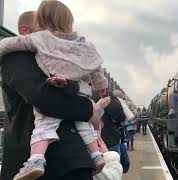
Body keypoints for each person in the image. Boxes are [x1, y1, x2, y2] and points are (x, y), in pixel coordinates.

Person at [0, 2, 111, 180]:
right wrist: (89, 109)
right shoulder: (16, 56)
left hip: (65, 164)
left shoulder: (47, 52)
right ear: (26, 30)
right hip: (52, 165)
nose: (48, 34)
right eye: (41, 27)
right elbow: (44, 97)